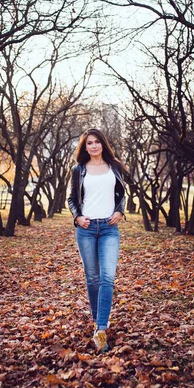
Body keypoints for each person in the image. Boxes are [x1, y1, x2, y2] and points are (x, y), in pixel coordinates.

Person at [67, 128, 127, 353]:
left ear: (103, 144)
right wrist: (77, 217)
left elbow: (121, 194)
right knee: (92, 277)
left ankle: (101, 329)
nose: (93, 146)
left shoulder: (115, 167)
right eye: (89, 143)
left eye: (96, 142)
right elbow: (72, 198)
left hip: (109, 228)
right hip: (87, 228)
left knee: (107, 277)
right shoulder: (78, 170)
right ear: (84, 147)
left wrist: (120, 211)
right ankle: (97, 319)